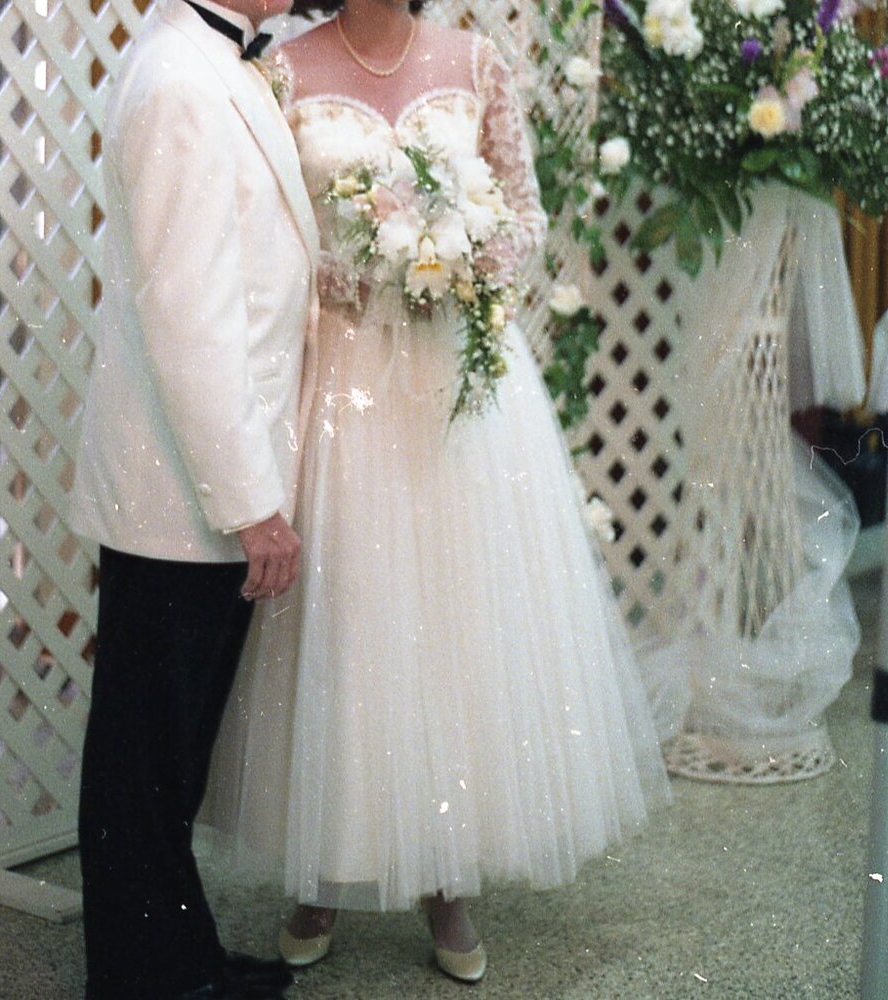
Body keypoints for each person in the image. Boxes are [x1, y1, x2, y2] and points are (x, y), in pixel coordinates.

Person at [203, 0, 671, 985]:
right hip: (340, 386)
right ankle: (320, 864)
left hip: (460, 387)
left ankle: (447, 871)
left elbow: (525, 210)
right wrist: (361, 272)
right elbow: (270, 236)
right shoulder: (283, 69)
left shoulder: (474, 59)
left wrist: (461, 264)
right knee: (344, 615)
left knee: (455, 616)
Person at [70, 0, 319, 995]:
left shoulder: (209, 61)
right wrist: (251, 502)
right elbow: (190, 315)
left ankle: (175, 962)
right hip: (182, 490)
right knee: (146, 758)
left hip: (193, 483)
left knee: (163, 756)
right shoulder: (180, 81)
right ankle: (148, 980)